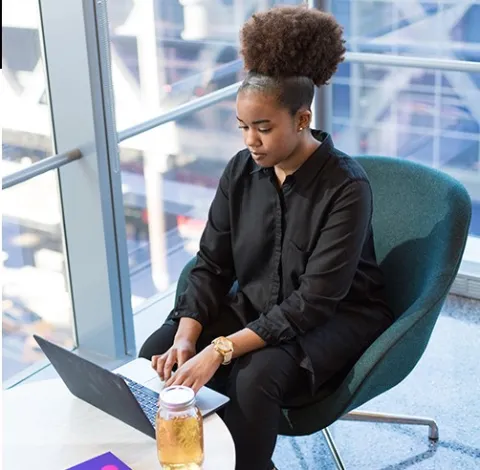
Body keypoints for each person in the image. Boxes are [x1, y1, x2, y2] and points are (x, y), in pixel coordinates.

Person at [139, 6, 394, 470]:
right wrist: (186, 335)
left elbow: (314, 302)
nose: (250, 141)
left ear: (301, 119)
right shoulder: (241, 171)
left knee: (256, 378)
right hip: (259, 303)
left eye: (263, 128)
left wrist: (220, 349)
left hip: (335, 315)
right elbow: (212, 264)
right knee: (155, 355)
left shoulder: (346, 188)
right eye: (242, 127)